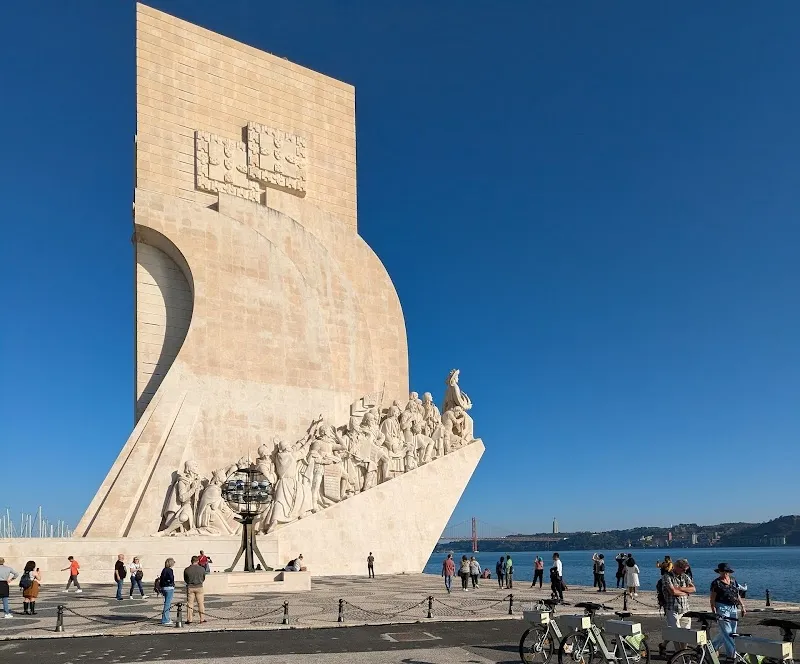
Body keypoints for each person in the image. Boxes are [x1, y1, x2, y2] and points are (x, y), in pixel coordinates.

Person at [658, 558, 697, 657]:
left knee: (685, 633)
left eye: (686, 569)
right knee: (676, 633)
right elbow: (672, 592)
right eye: (683, 569)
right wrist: (685, 592)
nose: (685, 571)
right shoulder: (667, 576)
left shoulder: (685, 576)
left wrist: (680, 589)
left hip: (685, 608)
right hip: (672, 608)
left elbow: (693, 589)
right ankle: (679, 655)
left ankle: (681, 651)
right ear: (676, 567)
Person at [710, 562, 746, 659]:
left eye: (726, 571)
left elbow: (737, 594)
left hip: (733, 608)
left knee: (730, 632)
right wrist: (714, 612)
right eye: (722, 571)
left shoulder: (733, 580)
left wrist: (742, 606)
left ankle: (712, 648)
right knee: (727, 632)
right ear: (719, 572)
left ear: (729, 572)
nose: (724, 573)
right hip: (721, 607)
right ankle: (731, 656)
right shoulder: (716, 583)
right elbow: (712, 599)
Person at [184, 555, 207, 624]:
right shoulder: (202, 569)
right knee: (200, 603)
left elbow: (185, 579)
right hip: (199, 587)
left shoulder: (187, 569)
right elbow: (203, 578)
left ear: (191, 561)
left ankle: (189, 619)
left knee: (190, 604)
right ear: (198, 561)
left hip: (190, 587)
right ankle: (202, 619)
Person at [159, 558, 176, 626]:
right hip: (169, 587)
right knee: (167, 604)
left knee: (166, 603)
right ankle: (165, 619)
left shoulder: (164, 570)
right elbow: (171, 578)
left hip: (164, 588)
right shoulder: (170, 570)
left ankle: (166, 618)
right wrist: (172, 583)